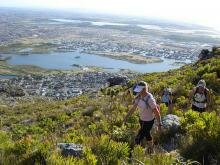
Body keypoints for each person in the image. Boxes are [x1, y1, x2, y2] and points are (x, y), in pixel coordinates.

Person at [123, 81, 162, 153]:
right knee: (147, 134)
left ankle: (134, 154)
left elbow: (156, 112)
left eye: (139, 90)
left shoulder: (150, 99)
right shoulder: (139, 97)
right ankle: (151, 149)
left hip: (148, 121)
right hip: (141, 120)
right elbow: (133, 108)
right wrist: (126, 117)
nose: (138, 92)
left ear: (144, 89)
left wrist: (159, 124)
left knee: (138, 138)